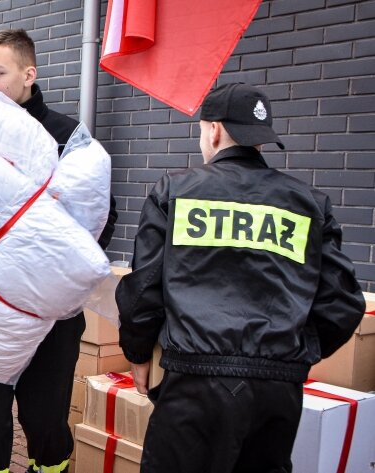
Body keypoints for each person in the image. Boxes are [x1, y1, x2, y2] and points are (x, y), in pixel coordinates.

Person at [116, 82, 365, 473]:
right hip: (276, 391)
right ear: (260, 140)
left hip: (193, 382)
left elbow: (143, 287)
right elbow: (343, 303)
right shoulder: (309, 204)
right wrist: (293, 354)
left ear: (214, 130)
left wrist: (138, 351)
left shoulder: (174, 192)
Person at [0, 29, 118, 473]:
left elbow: (103, 217)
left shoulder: (69, 138)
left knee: (46, 418)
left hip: (51, 313)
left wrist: (54, 264)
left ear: (29, 74)